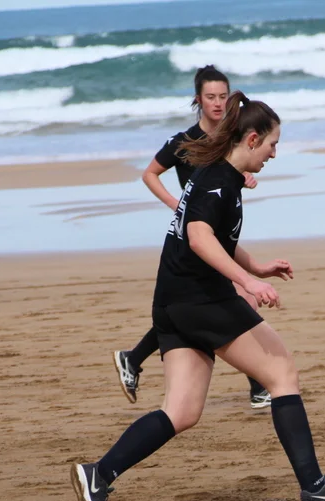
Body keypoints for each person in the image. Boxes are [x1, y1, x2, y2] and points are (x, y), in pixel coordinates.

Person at [72, 91, 325, 501]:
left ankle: (99, 474)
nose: (274, 154)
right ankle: (314, 488)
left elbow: (217, 237)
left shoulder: (217, 176)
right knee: (282, 374)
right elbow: (199, 238)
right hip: (201, 301)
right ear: (252, 139)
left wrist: (255, 266)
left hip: (172, 303)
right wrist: (248, 283)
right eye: (272, 144)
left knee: (181, 411)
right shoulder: (218, 182)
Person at [114, 65, 271, 409]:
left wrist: (242, 176)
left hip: (217, 231)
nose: (218, 103)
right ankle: (261, 385)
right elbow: (150, 174)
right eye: (210, 97)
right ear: (197, 99)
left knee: (195, 309)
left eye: (223, 96)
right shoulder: (184, 141)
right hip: (197, 237)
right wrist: (178, 205)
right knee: (238, 301)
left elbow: (227, 175)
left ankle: (133, 357)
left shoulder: (233, 138)